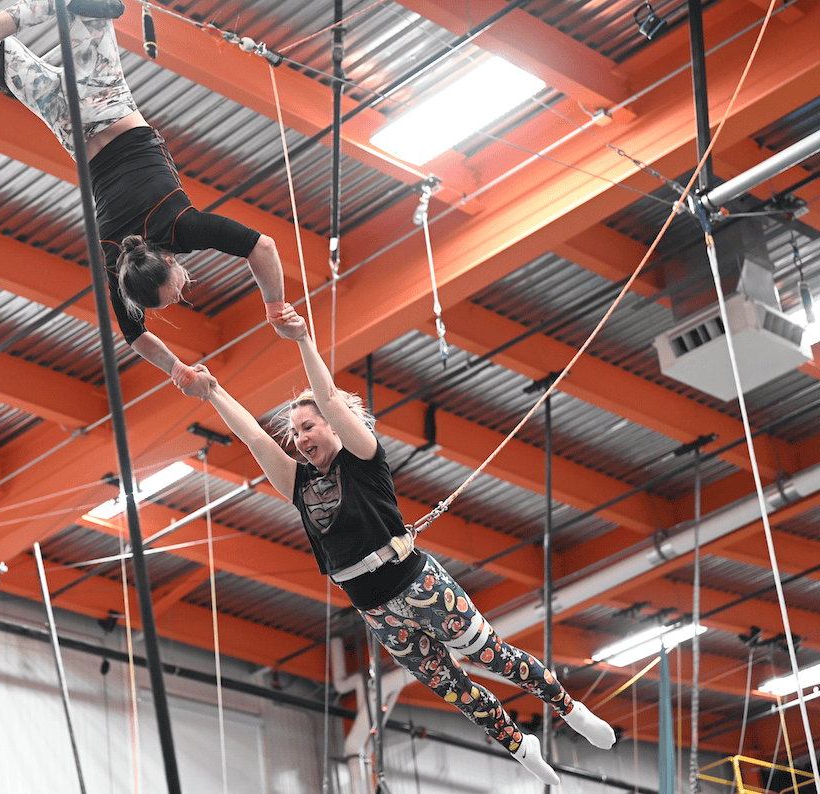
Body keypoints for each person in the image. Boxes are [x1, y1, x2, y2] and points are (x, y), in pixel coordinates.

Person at [198, 304, 617, 786]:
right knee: (453, 689)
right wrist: (213, 392)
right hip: (375, 610)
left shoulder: (363, 458)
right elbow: (254, 437)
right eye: (294, 433)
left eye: (308, 426)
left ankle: (569, 709)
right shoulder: (298, 484)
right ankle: (520, 746)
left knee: (490, 656)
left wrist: (302, 340)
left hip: (418, 584)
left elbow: (329, 397)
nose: (299, 438)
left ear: (333, 426)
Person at [0, 0, 290, 398]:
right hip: (69, 129)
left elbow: (262, 247)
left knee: (100, 4)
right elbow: (134, 336)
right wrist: (178, 372)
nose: (179, 295)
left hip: (104, 101)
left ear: (167, 261)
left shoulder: (182, 229)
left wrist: (275, 308)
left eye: (173, 293)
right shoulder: (116, 262)